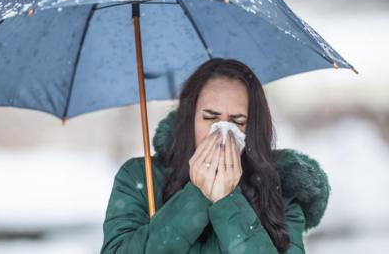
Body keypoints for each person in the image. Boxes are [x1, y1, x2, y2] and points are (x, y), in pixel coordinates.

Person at [100, 58, 330, 254]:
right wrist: (195, 196)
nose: (222, 133)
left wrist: (228, 201)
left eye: (237, 121)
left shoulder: (282, 191)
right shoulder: (141, 178)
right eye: (210, 117)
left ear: (253, 129)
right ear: (189, 119)